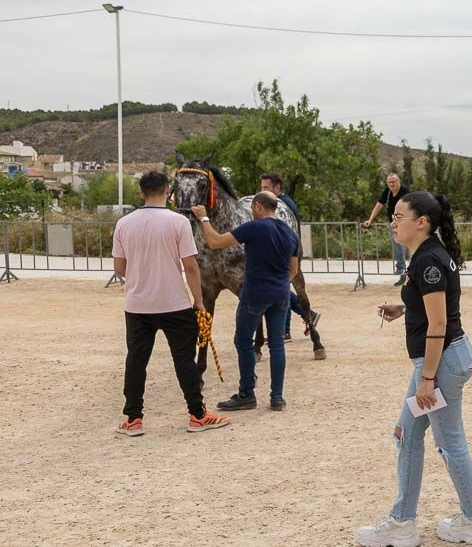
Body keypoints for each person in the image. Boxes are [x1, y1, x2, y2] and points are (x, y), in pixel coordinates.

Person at [355, 191, 472, 547]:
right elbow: (434, 310)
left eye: (398, 217)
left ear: (422, 223)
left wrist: (427, 379)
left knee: (448, 441)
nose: (392, 223)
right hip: (443, 360)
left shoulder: (429, 262)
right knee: (409, 435)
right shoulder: (426, 259)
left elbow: (438, 325)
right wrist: (403, 309)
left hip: (439, 363)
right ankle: (406, 521)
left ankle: (470, 520)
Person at [112, 171, 231, 436]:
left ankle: (133, 419)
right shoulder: (178, 222)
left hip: (137, 305)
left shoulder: (124, 224)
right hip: (174, 303)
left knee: (136, 361)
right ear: (169, 191)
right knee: (184, 361)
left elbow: (120, 268)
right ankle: (197, 415)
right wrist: (198, 301)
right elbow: (190, 266)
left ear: (141, 193)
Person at [192, 191, 299, 412]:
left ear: (259, 206)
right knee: (277, 344)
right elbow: (294, 270)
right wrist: (279, 283)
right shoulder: (290, 233)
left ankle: (246, 393)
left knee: (242, 341)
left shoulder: (254, 227)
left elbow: (214, 241)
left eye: (252, 207)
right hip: (280, 294)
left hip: (255, 292)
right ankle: (277, 397)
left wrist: (203, 217)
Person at [259, 172, 320, 342]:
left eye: (266, 188)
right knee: (283, 288)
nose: (262, 191)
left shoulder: (284, 205)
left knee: (283, 289)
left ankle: (285, 330)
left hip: (287, 253)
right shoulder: (278, 202)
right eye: (261, 187)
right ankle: (308, 314)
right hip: (285, 252)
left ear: (277, 188)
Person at [363, 172, 412, 285]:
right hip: (394, 224)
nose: (391, 184)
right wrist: (370, 220)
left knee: (411, 248)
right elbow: (379, 205)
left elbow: (409, 208)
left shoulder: (405, 192)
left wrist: (398, 220)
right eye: (389, 182)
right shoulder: (388, 192)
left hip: (406, 222)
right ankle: (402, 272)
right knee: (397, 245)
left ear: (398, 181)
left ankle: (412, 273)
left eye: (393, 182)